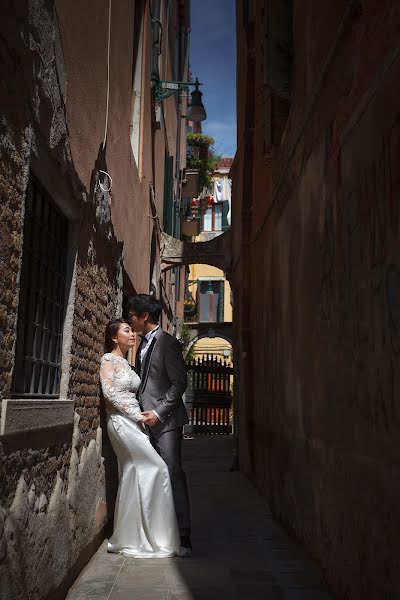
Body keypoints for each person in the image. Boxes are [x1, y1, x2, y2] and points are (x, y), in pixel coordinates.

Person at [100, 318, 180, 558]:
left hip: (134, 423)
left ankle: (136, 535)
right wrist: (139, 416)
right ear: (115, 338)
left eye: (132, 330)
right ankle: (147, 536)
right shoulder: (108, 360)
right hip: (122, 423)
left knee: (136, 473)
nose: (132, 334)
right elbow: (110, 393)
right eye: (127, 330)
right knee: (157, 469)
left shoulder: (128, 362)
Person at [127, 294, 192, 556]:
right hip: (144, 421)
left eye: (132, 315)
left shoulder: (168, 343)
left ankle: (184, 536)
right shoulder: (141, 343)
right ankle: (159, 531)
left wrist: (159, 412)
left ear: (145, 317)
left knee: (173, 472)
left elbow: (180, 383)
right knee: (152, 475)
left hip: (166, 422)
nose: (129, 319)